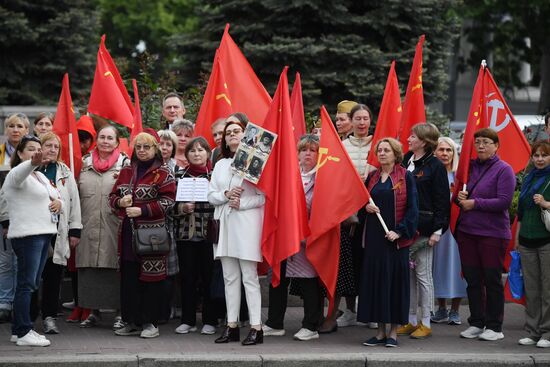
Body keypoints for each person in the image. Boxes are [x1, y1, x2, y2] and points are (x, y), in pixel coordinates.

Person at [109, 132, 176, 338]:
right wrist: (120, 203)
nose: (142, 150)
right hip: (128, 234)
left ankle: (151, 323)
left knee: (152, 280)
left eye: (146, 147)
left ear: (155, 148)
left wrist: (143, 210)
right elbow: (112, 196)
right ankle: (132, 321)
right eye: (138, 147)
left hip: (152, 235)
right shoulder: (127, 170)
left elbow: (169, 201)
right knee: (129, 279)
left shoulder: (163, 173)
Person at [208, 119, 265, 345]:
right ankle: (231, 325)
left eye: (237, 131)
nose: (232, 135)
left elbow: (262, 197)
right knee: (229, 277)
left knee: (249, 277)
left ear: (246, 135)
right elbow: (211, 195)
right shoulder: (220, 164)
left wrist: (241, 203)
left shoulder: (256, 163)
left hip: (247, 224)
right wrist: (225, 194)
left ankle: (256, 327)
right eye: (228, 132)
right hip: (224, 224)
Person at [456, 128, 515, 341]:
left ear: (496, 145)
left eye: (486, 142)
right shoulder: (469, 168)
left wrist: (475, 203)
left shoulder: (504, 169)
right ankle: (476, 322)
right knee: (472, 280)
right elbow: (458, 200)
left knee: (491, 280)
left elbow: (504, 201)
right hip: (467, 232)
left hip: (493, 234)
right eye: (478, 142)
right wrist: (460, 196)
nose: (481, 146)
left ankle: (494, 327)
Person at [358, 137, 418, 348]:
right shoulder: (372, 177)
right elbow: (361, 203)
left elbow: (413, 209)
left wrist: (399, 232)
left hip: (395, 241)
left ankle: (393, 332)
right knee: (376, 283)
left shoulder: (406, 176)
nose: (382, 153)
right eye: (380, 150)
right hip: (374, 238)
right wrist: (365, 208)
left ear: (396, 154)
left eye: (387, 150)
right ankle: (380, 332)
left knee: (393, 284)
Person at [263, 134, 323, 341]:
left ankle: (311, 325)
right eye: (303, 149)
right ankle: (274, 322)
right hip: (283, 236)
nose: (307, 153)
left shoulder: (322, 179)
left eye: (312, 149)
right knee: (277, 280)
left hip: (307, 240)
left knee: (308, 281)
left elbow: (324, 211)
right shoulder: (288, 175)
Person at [4, 135, 61, 346]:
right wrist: (32, 162)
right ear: (19, 153)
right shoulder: (15, 175)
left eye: (39, 149)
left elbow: (56, 195)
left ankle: (18, 330)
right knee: (26, 285)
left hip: (44, 234)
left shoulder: (41, 177)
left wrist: (60, 204)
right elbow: (20, 172)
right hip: (28, 237)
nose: (37, 152)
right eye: (30, 149)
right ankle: (24, 331)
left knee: (32, 283)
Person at [397, 123, 449, 340]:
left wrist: (438, 230)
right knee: (407, 277)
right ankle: (410, 320)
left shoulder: (435, 165)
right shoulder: (406, 160)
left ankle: (425, 322)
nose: (408, 139)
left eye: (413, 136)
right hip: (405, 227)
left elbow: (442, 200)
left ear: (425, 141)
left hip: (425, 228)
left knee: (423, 276)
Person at [76, 125, 129, 329]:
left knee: (115, 268)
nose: (105, 141)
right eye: (102, 137)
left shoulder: (124, 165)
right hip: (88, 224)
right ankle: (93, 312)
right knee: (90, 268)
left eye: (110, 138)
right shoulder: (84, 163)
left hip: (113, 225)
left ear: (117, 142)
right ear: (96, 140)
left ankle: (118, 313)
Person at [34, 133, 82, 334]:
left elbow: (74, 202)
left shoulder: (65, 172)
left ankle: (49, 317)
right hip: (34, 231)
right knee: (33, 277)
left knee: (54, 278)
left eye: (56, 146)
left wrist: (75, 229)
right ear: (40, 148)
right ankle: (27, 319)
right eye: (48, 145)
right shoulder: (31, 169)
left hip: (58, 231)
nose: (52, 149)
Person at [333, 103, 374, 331]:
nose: (361, 123)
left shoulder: (379, 145)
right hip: (348, 211)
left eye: (364, 118)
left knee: (370, 261)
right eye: (357, 118)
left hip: (372, 210)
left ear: (370, 121)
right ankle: (349, 311)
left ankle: (369, 310)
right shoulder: (342, 146)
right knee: (349, 262)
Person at [173, 137, 217, 335]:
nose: (197, 154)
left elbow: (221, 202)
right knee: (188, 278)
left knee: (209, 278)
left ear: (207, 153)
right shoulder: (179, 176)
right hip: (185, 235)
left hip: (208, 235)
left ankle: (210, 320)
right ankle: (188, 319)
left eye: (201, 150)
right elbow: (168, 204)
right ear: (187, 154)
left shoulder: (215, 175)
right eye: (192, 151)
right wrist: (182, 207)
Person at [516, 141, 550, 348]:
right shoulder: (528, 178)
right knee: (532, 288)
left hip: (546, 239)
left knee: (547, 288)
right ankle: (533, 330)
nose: (539, 159)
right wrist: (517, 238)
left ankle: (547, 332)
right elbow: (520, 212)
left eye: (544, 155)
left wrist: (546, 203)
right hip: (526, 239)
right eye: (536, 155)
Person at [431, 137, 467, 325]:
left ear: (454, 153)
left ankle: (455, 310)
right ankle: (441, 307)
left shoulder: (460, 177)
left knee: (456, 268)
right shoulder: (431, 173)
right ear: (435, 152)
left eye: (449, 150)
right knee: (438, 267)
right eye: (441, 150)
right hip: (436, 229)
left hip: (456, 230)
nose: (445, 153)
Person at [0, 113, 30, 324]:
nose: (15, 129)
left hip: (26, 216)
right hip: (3, 215)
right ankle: (4, 302)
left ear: (27, 130)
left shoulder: (32, 154)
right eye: (11, 126)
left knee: (22, 261)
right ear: (5, 130)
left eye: (20, 126)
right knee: (4, 261)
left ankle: (20, 304)